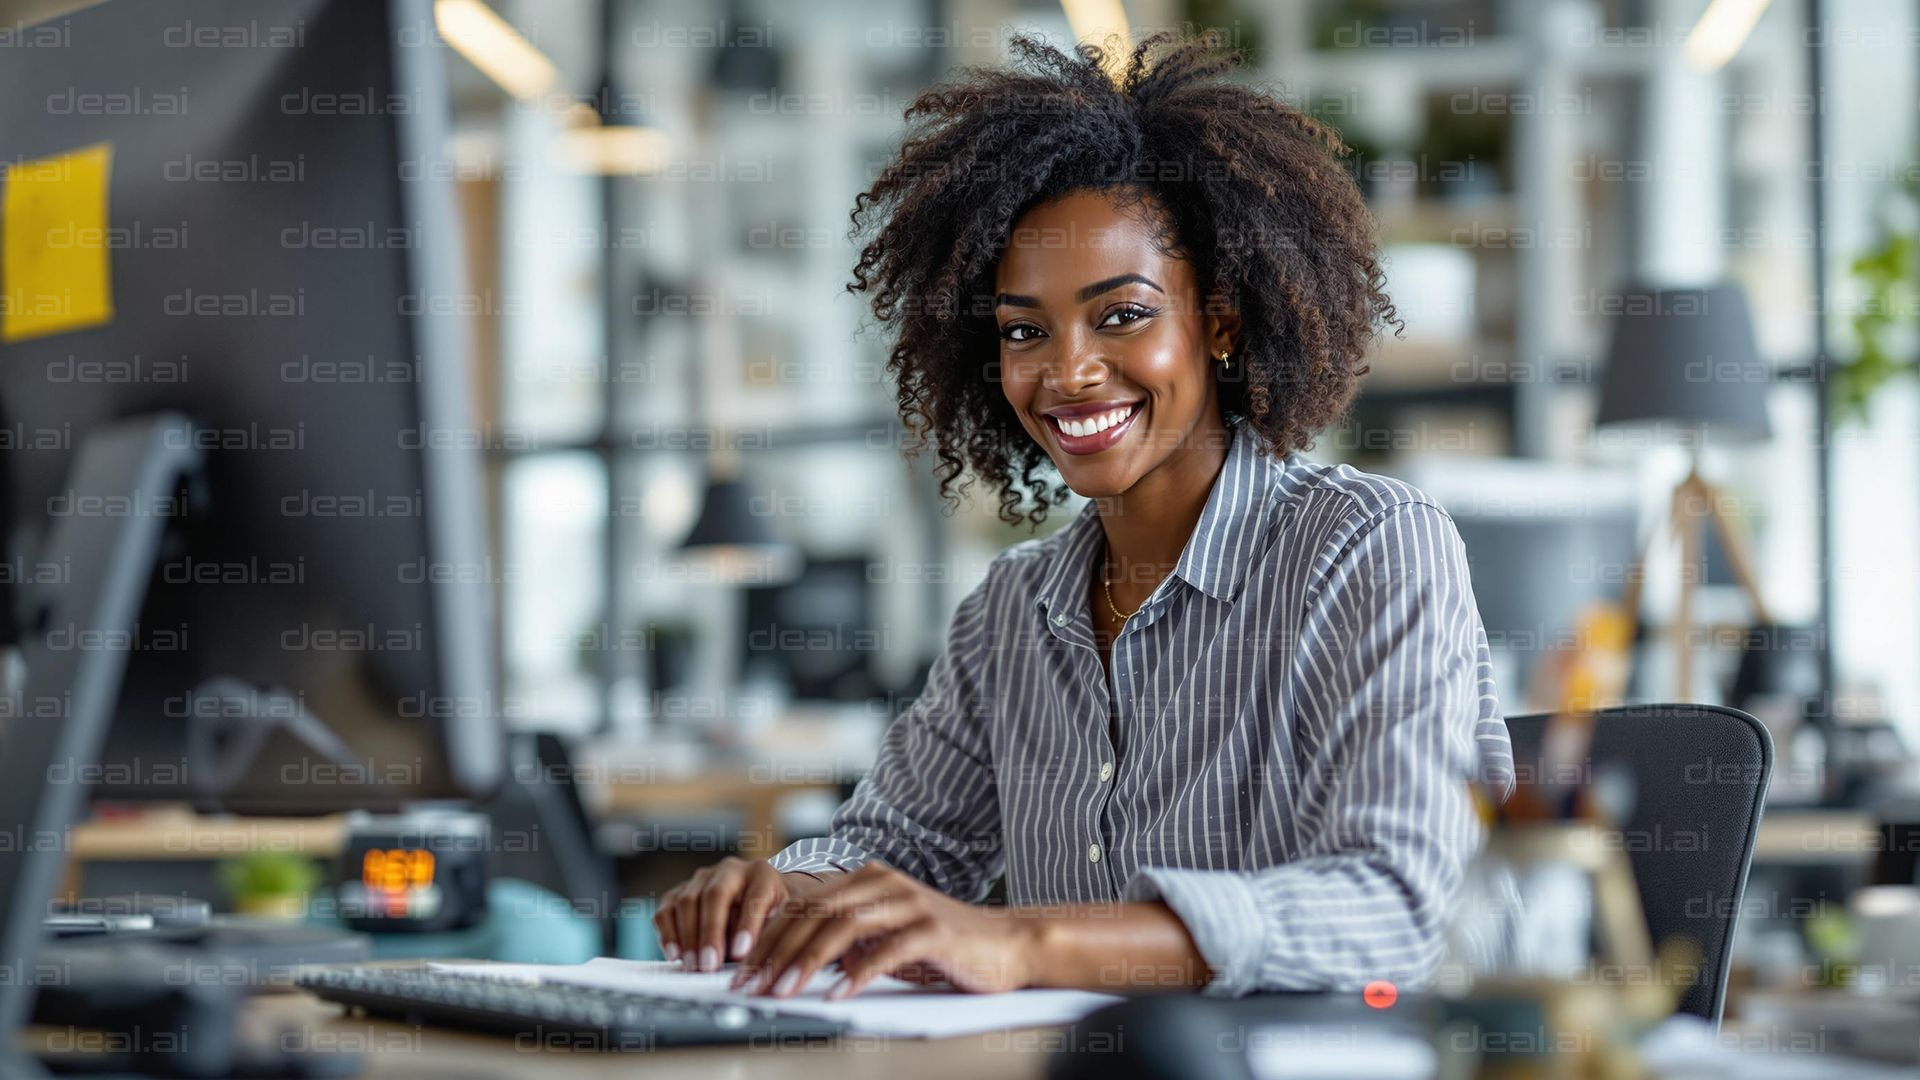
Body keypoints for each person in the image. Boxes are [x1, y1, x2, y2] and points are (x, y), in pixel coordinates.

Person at [653, 29, 1515, 1002]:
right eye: (1025, 330)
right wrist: (788, 892)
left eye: (1121, 315)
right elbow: (900, 847)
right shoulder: (1012, 612)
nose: (1065, 373)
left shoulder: (1363, 549)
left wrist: (1022, 943)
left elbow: (1397, 905)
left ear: (1221, 320)